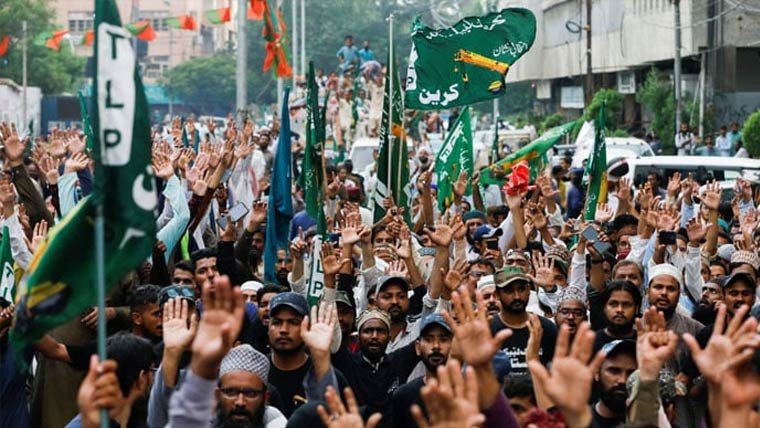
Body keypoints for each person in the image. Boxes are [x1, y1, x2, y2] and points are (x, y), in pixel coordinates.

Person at [490, 267, 557, 374]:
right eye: (509, 291)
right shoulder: (488, 328)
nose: (517, 296)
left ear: (529, 290)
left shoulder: (546, 328)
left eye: (521, 289)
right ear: (497, 295)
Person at [214, 344, 287, 427]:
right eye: (231, 392)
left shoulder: (275, 421)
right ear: (217, 395)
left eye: (250, 393)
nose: (240, 403)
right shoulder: (203, 417)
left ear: (265, 398)